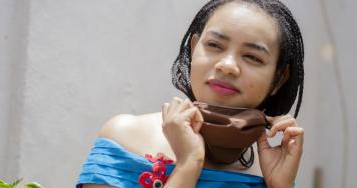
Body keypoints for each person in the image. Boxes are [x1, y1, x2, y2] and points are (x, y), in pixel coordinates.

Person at [77, 0, 305, 187]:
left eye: (253, 57)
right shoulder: (125, 137)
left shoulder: (274, 167)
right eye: (215, 45)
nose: (227, 65)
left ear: (278, 79)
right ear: (194, 48)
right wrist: (188, 165)